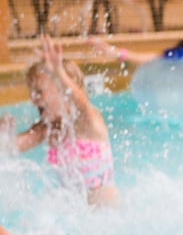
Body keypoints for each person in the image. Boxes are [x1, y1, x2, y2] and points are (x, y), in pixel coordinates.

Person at [1, 36, 119, 207]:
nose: (33, 99)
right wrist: (4, 136)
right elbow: (13, 146)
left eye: (39, 92)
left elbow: (81, 102)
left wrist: (59, 73)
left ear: (63, 91)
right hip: (77, 215)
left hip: (106, 214)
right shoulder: (47, 128)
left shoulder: (87, 121)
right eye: (32, 92)